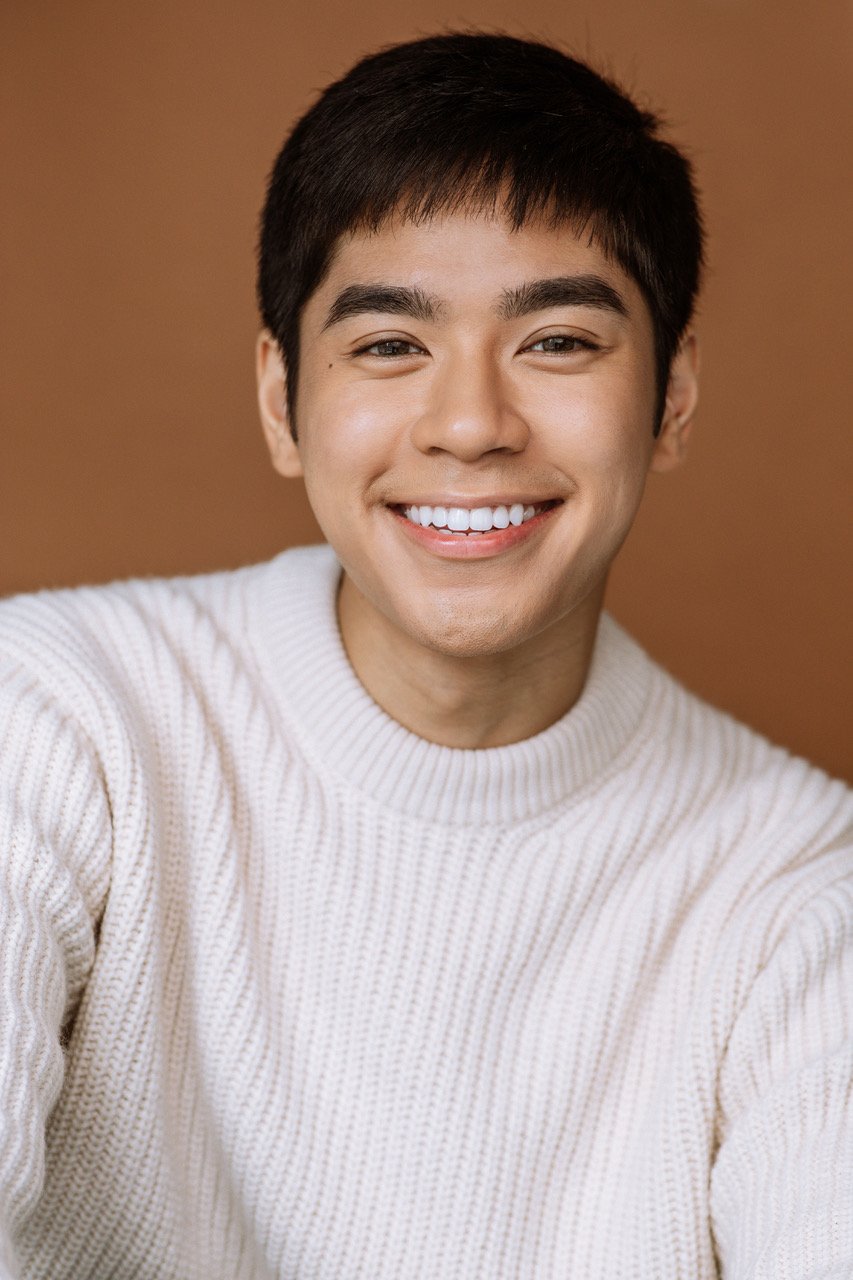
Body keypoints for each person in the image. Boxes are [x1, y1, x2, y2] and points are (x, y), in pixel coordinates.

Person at [0, 30, 850, 1280]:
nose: (469, 424)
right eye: (390, 344)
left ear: (670, 398)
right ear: (281, 401)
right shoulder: (60, 716)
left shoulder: (799, 893)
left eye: (557, 340)